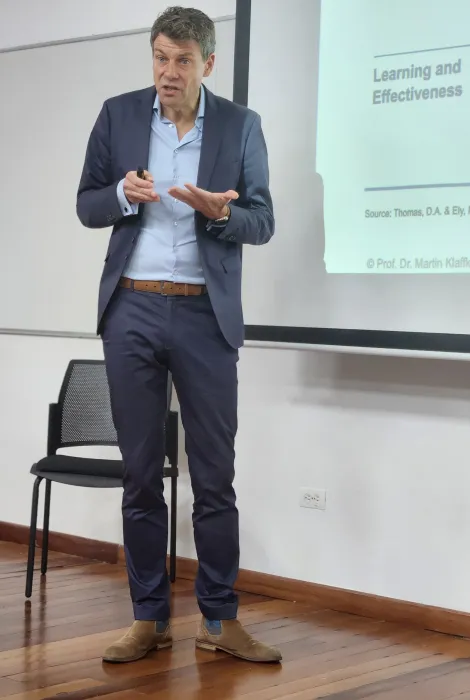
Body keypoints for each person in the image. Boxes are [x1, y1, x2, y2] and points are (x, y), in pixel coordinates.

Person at [76, 5, 280, 665]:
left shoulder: (241, 126)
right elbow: (86, 203)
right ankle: (148, 618)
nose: (168, 72)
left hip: (204, 316)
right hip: (131, 310)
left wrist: (220, 214)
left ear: (207, 64)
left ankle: (219, 620)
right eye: (160, 57)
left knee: (214, 478)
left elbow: (262, 220)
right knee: (140, 476)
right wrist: (121, 194)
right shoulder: (118, 115)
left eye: (182, 61)